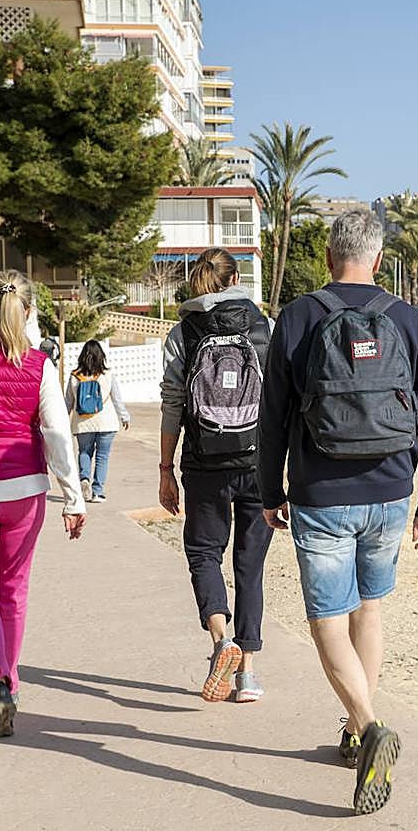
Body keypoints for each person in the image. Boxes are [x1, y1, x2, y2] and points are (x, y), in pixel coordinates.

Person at [257, 208, 418, 815]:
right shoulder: (410, 321)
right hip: (392, 491)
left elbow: (274, 417)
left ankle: (367, 725)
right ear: (379, 259)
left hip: (320, 493)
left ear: (328, 257)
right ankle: (356, 730)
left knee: (326, 623)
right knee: (369, 609)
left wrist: (268, 491)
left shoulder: (299, 317)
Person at [0, 269, 86, 739]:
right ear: (28, 311)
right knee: (13, 590)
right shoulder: (41, 365)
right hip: (26, 492)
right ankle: (12, 681)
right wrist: (74, 496)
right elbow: (57, 432)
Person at [159, 248, 274, 703]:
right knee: (250, 565)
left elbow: (172, 403)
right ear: (237, 278)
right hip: (256, 461)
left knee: (204, 553)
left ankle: (220, 636)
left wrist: (166, 469)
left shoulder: (183, 331)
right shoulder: (264, 327)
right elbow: (280, 402)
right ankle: (247, 675)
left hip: (204, 460)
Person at [65, 339, 130, 503]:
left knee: (84, 453)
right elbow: (117, 399)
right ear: (101, 356)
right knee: (102, 457)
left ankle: (84, 479)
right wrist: (124, 417)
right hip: (106, 422)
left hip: (82, 423)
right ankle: (97, 492)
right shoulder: (107, 375)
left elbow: (68, 402)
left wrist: (62, 421)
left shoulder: (75, 376)